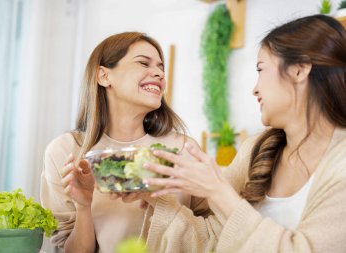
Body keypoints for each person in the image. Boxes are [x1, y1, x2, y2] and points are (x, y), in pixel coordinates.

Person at [139, 14, 346, 252]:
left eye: (261, 69)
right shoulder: (255, 150)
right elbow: (212, 239)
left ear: (299, 70)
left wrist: (218, 191)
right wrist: (156, 200)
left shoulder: (341, 166)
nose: (254, 89)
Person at [40, 32, 211, 253]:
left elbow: (208, 235)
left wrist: (159, 199)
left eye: (161, 68)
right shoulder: (66, 151)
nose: (159, 73)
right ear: (103, 76)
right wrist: (84, 206)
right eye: (143, 63)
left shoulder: (182, 150)